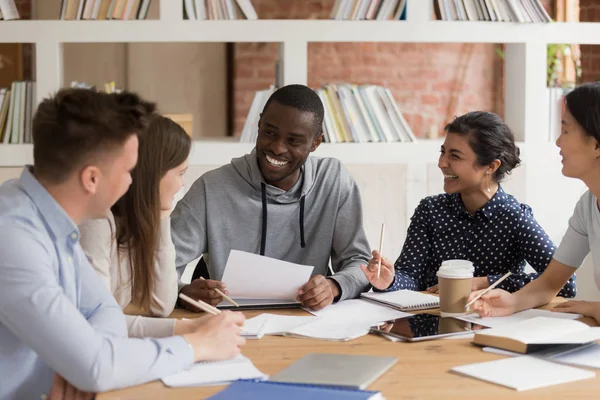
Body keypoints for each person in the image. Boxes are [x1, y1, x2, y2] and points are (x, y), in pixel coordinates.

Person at [0, 88, 245, 400]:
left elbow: (103, 309)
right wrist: (197, 345)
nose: (134, 182)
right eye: (129, 170)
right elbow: (97, 366)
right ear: (91, 179)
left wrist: (89, 356)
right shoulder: (14, 240)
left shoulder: (51, 217)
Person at [171, 84, 371, 311]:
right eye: (270, 133)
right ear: (259, 125)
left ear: (315, 143)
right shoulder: (211, 188)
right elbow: (156, 267)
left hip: (309, 324)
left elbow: (360, 263)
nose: (277, 148)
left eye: (293, 141)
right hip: (232, 323)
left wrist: (334, 285)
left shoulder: (334, 182)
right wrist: (181, 293)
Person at [361, 111, 576, 298]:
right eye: (443, 152)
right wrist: (390, 281)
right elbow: (411, 277)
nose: (442, 163)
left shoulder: (515, 218)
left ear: (491, 166)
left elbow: (565, 283)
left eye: (455, 156)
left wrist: (485, 282)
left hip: (491, 328)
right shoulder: (430, 210)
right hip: (429, 327)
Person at [469, 82, 600, 322]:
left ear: (596, 145)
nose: (558, 142)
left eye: (566, 130)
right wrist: (510, 302)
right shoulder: (588, 205)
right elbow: (550, 282)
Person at [80, 114, 194, 338]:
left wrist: (161, 217)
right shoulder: (97, 223)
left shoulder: (138, 223)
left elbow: (162, 305)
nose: (182, 183)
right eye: (180, 174)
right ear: (153, 174)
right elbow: (97, 321)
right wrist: (184, 329)